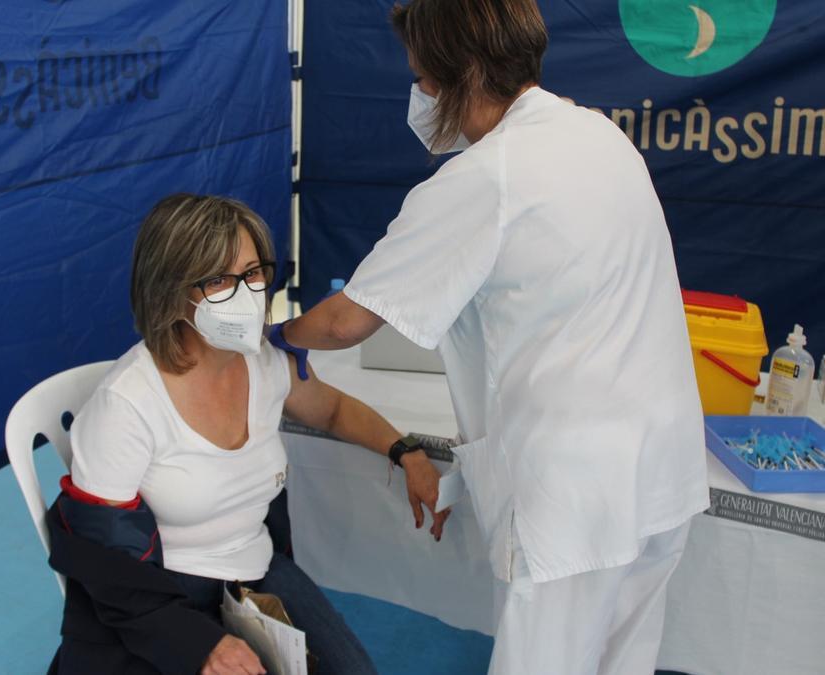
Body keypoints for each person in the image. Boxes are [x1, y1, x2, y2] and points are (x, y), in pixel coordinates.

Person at [267, 1, 711, 673]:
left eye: (422, 78)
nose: (417, 95)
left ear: (463, 76)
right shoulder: (596, 134)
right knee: (622, 662)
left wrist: (270, 336)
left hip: (579, 490)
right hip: (660, 468)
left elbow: (345, 321)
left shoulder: (486, 176)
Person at [63, 193, 448, 675]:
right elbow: (107, 564)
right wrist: (198, 643)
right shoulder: (127, 405)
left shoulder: (265, 363)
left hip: (254, 572)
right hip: (159, 596)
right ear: (169, 291)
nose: (246, 295)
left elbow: (332, 412)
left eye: (252, 273)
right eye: (219, 280)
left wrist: (407, 452)